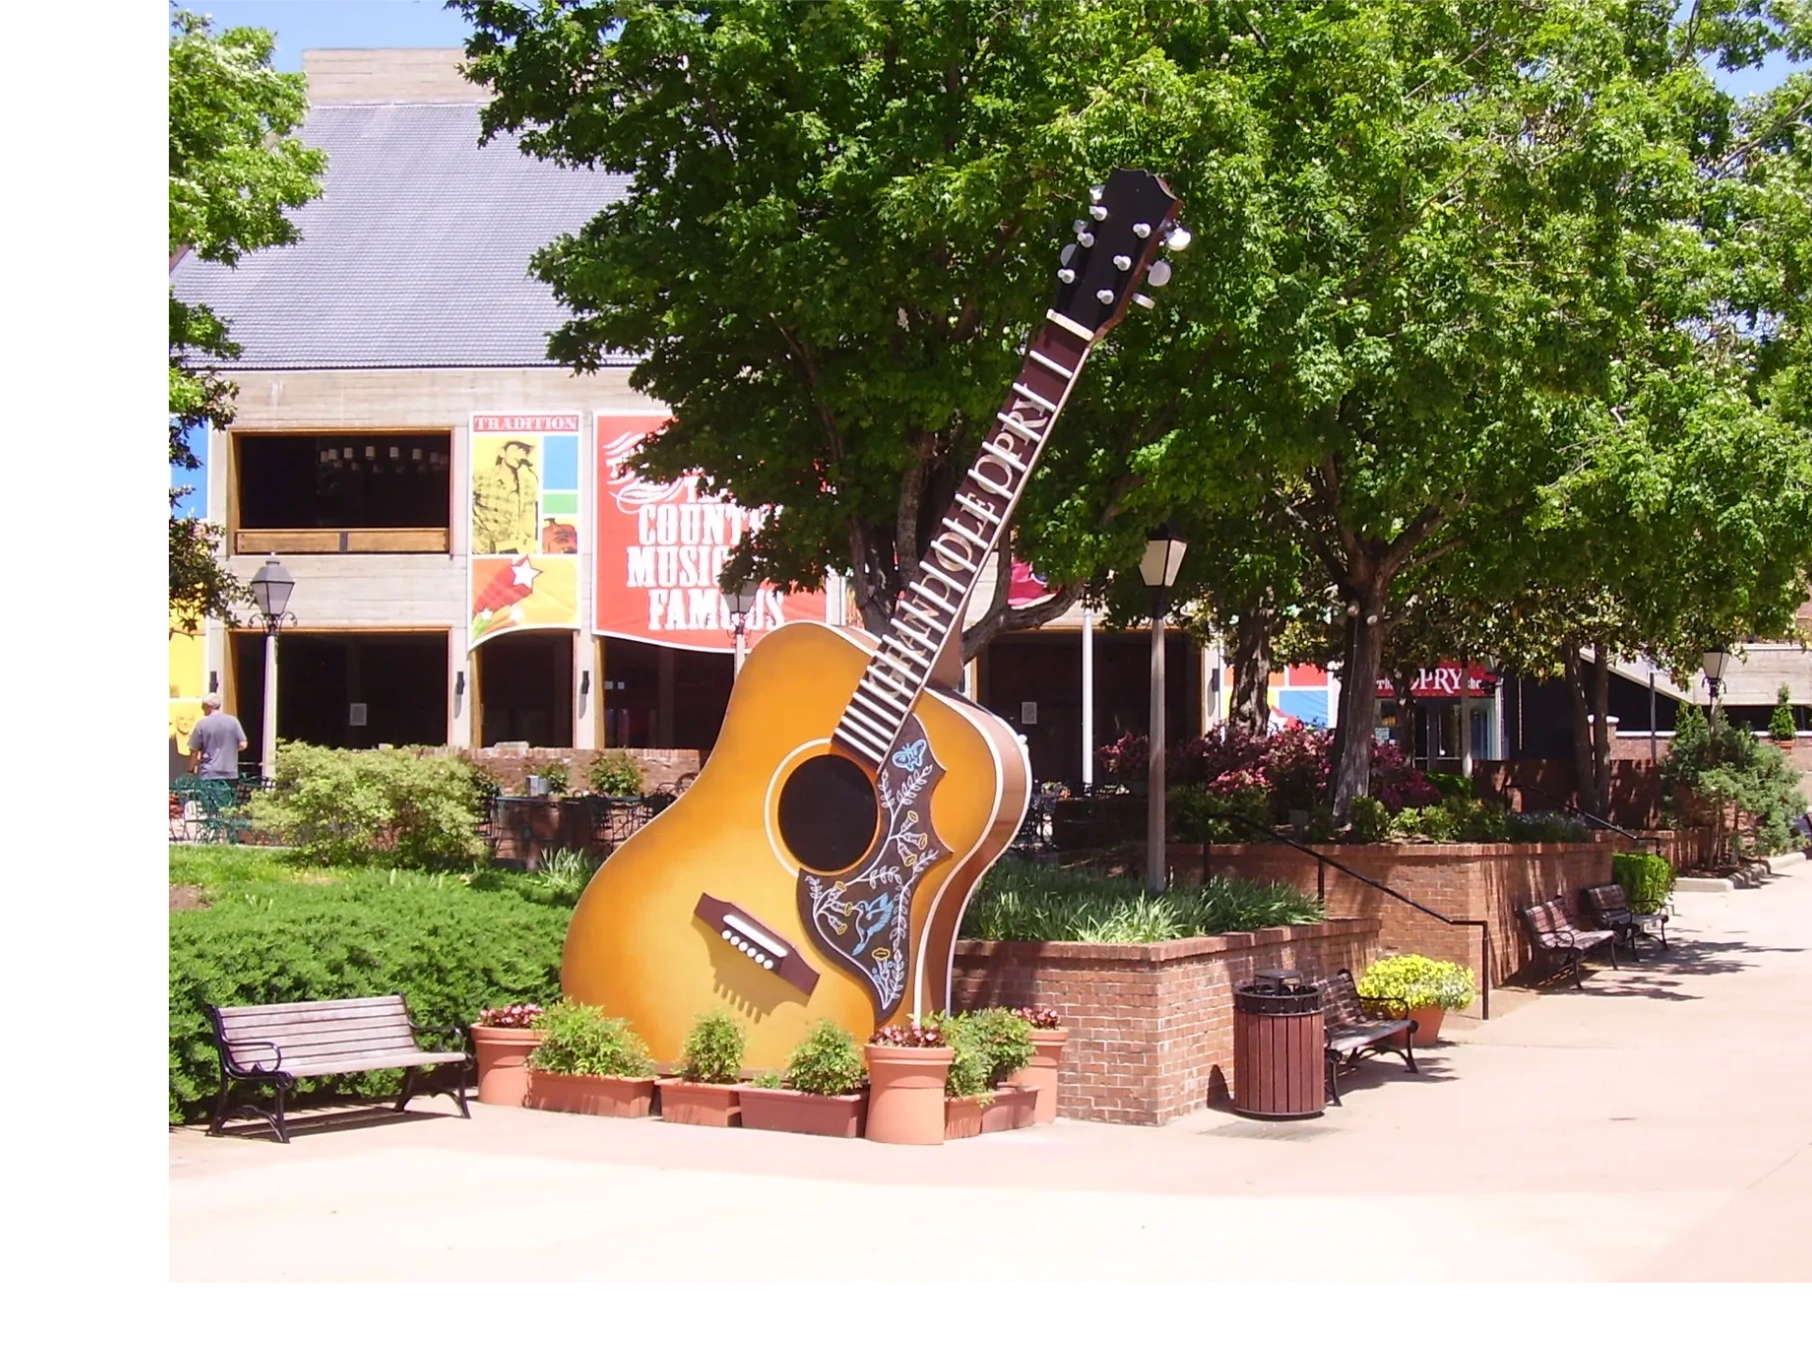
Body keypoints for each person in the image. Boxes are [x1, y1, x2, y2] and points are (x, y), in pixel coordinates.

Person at [187, 694, 248, 781]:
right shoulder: (233, 721)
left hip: (209, 774)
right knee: (228, 795)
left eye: (202, 706)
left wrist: (190, 770)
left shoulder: (202, 724)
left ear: (208, 707)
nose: (201, 708)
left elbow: (194, 752)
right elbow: (243, 744)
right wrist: (229, 750)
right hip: (230, 773)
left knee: (209, 794)